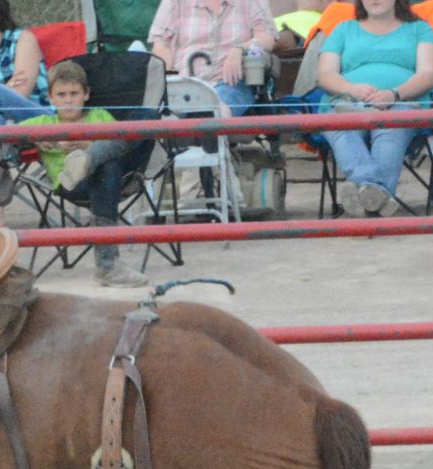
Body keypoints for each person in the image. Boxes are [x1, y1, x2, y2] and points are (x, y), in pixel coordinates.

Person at [23, 59, 153, 288]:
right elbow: (6, 134)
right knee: (107, 167)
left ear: (86, 94)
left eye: (74, 93)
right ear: (51, 98)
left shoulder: (99, 115)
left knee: (148, 115)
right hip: (71, 184)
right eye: (61, 95)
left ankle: (90, 157)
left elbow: (121, 145)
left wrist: (90, 144)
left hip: (115, 177)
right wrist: (41, 140)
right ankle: (107, 266)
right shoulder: (44, 123)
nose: (68, 100)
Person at [316, 0, 433, 215]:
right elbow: (325, 75)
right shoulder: (343, 29)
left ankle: (364, 195)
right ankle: (376, 194)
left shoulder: (419, 29)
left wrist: (394, 94)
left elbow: (429, 75)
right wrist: (351, 88)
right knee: (341, 128)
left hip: (402, 103)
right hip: (346, 102)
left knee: (389, 129)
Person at [149, 0, 278, 113]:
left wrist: (239, 49)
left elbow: (267, 38)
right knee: (165, 113)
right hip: (183, 83)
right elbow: (162, 45)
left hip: (230, 83)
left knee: (215, 112)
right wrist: (169, 76)